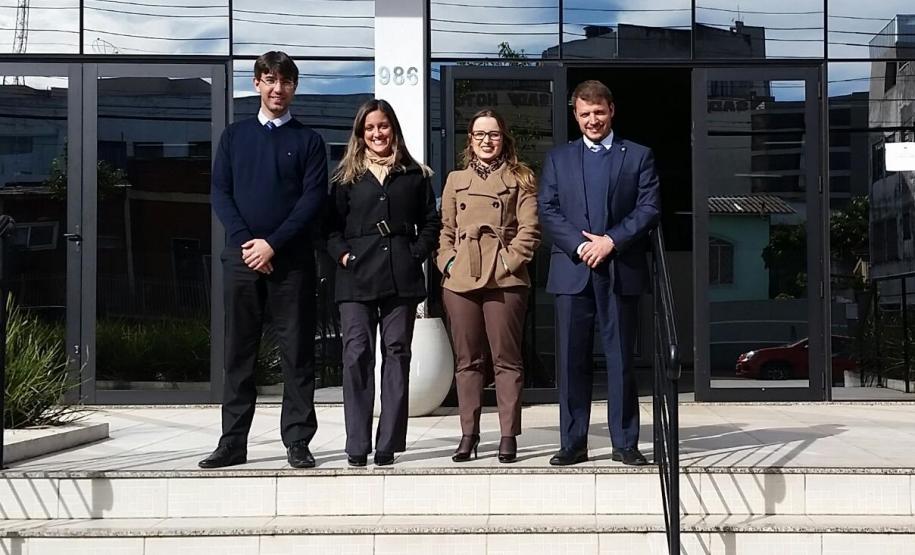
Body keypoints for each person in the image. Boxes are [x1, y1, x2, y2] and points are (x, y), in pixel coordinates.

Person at [200, 51, 328, 469]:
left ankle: (297, 441)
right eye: (270, 80)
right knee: (239, 354)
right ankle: (232, 443)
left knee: (297, 355)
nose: (278, 89)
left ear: (294, 87)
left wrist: (271, 245)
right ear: (256, 83)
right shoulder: (234, 137)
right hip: (241, 261)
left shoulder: (308, 142)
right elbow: (221, 192)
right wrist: (248, 245)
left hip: (291, 263)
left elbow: (311, 202)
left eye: (286, 81)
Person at [538, 80, 660, 466]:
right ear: (575, 115)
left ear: (612, 111)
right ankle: (573, 442)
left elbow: (648, 208)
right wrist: (580, 244)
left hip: (619, 269)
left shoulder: (638, 155)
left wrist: (610, 240)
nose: (592, 120)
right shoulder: (559, 158)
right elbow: (548, 210)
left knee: (622, 358)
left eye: (599, 112)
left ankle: (625, 442)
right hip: (572, 270)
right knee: (572, 360)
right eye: (585, 113)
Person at [326, 99, 439, 467]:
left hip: (400, 277)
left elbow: (431, 222)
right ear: (360, 134)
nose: (377, 133)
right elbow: (329, 229)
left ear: (394, 129)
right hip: (356, 277)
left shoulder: (415, 174)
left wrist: (417, 253)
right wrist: (344, 255)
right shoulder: (345, 178)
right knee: (357, 353)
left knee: (397, 353)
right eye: (370, 128)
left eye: (383, 126)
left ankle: (388, 442)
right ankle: (357, 442)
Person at [437, 109, 540, 463]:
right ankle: (469, 434)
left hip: (505, 277)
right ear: (470, 140)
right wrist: (447, 262)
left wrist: (508, 262)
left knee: (506, 360)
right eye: (480, 134)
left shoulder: (521, 178)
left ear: (503, 138)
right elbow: (445, 230)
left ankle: (508, 435)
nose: (486, 141)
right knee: (468, 361)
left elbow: (530, 231)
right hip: (461, 277)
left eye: (493, 134)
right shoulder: (454, 179)